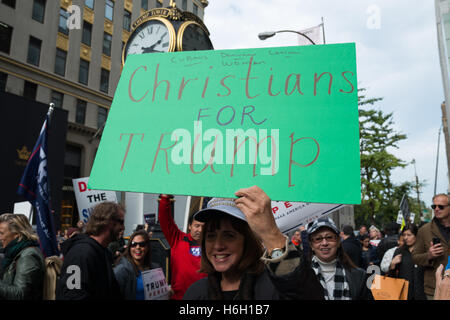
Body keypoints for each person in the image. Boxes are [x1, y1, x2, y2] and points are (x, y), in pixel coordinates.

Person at [184, 186, 324, 300]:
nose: (218, 245)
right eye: (211, 236)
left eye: (229, 235)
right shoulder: (195, 293)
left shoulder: (274, 289)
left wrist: (271, 233)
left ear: (248, 239)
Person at [56, 202, 124, 300]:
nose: (123, 227)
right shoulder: (81, 253)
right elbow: (73, 295)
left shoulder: (102, 252)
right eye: (121, 222)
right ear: (108, 221)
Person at [307, 217, 373, 300]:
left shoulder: (359, 276)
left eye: (329, 237)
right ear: (311, 245)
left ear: (338, 241)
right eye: (318, 239)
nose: (324, 243)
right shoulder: (299, 278)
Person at [158, 194, 207, 300]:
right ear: (190, 226)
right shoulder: (177, 239)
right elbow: (165, 220)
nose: (200, 230)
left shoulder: (212, 245)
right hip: (180, 297)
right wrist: (165, 199)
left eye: (203, 227)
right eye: (197, 226)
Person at [412, 193, 450, 300]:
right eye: (434, 206)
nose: (436, 209)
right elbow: (415, 258)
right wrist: (429, 255)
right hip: (434, 287)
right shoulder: (424, 230)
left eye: (441, 206)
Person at [0, 213, 45, 300]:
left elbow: (20, 294)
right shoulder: (15, 252)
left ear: (17, 234)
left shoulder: (28, 256)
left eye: (1, 233)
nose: (0, 237)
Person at [114, 229, 160, 300]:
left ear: (147, 247)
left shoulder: (154, 268)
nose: (137, 247)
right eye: (133, 244)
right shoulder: (121, 270)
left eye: (142, 244)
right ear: (129, 248)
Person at [388, 224, 426, 300]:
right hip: (404, 294)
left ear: (416, 235)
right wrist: (392, 265)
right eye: (404, 235)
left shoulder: (423, 251)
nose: (406, 237)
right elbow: (392, 277)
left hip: (422, 294)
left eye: (409, 235)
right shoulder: (399, 251)